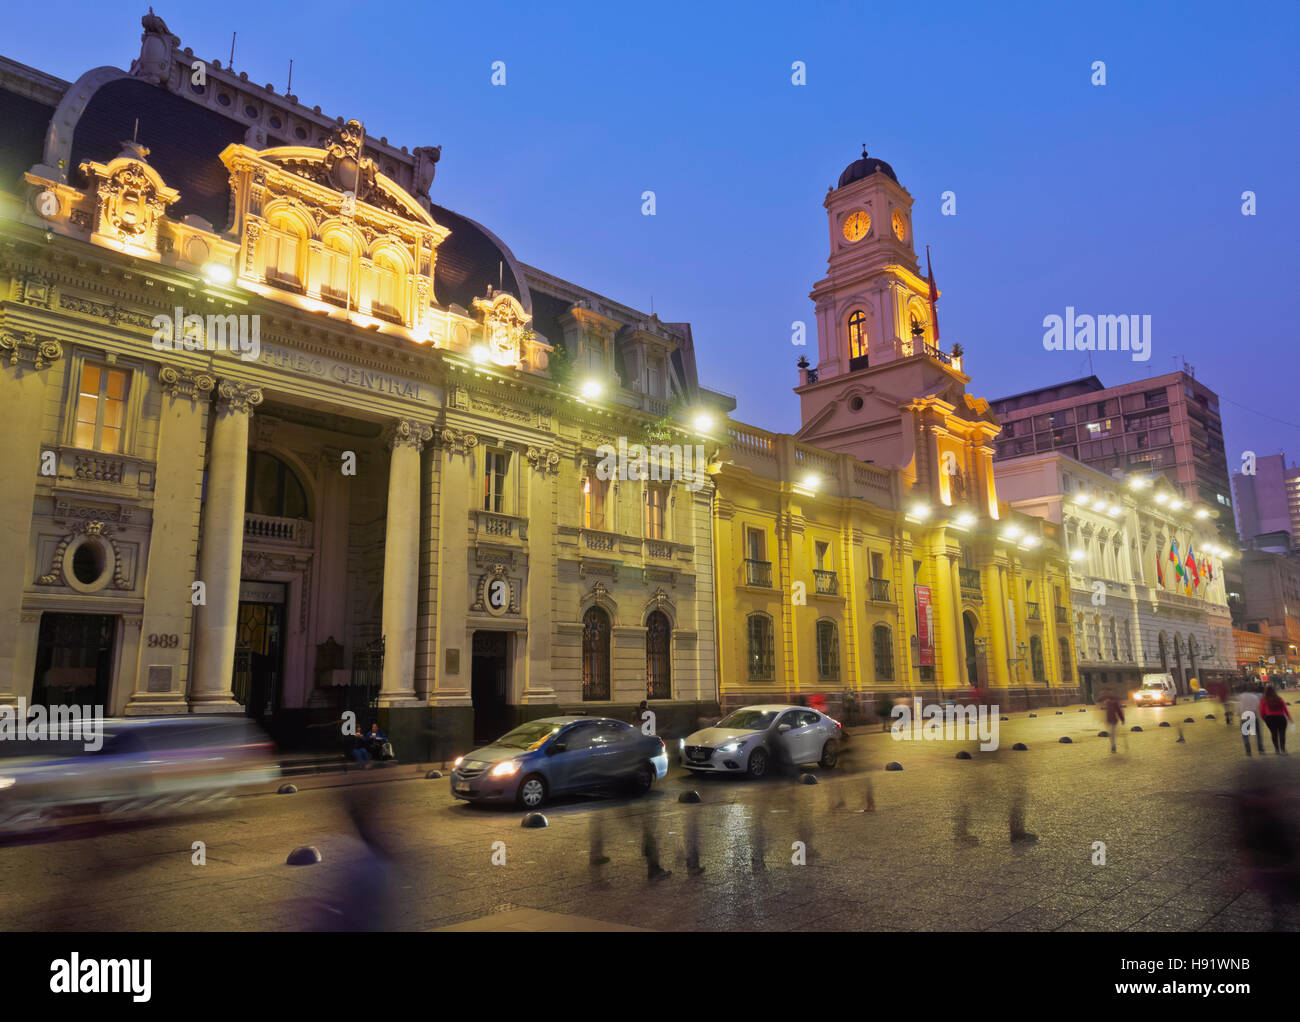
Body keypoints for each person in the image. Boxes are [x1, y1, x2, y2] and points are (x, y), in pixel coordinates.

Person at [1260, 685, 1291, 754]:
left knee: (1273, 733)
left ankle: (1277, 749)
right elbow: (1285, 709)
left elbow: (1262, 712)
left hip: (1270, 718)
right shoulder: (1279, 699)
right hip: (1280, 718)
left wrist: (1264, 719)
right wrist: (1289, 718)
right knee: (1282, 734)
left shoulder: (1264, 700)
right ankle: (1283, 749)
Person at [1239, 684, 1265, 756]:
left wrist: (1240, 713)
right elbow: (1257, 707)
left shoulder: (1241, 696)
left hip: (1244, 716)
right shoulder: (1255, 697)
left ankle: (1248, 751)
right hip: (1253, 716)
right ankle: (1260, 749)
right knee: (1258, 734)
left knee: (1245, 734)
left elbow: (1239, 707)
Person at [1099, 684, 1125, 754]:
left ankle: (1113, 746)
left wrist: (1122, 719)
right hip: (1108, 720)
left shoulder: (1114, 700)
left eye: (1108, 692)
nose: (1107, 693)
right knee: (1111, 733)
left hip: (1113, 720)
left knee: (1112, 733)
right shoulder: (1105, 699)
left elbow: (1118, 710)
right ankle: (1113, 745)